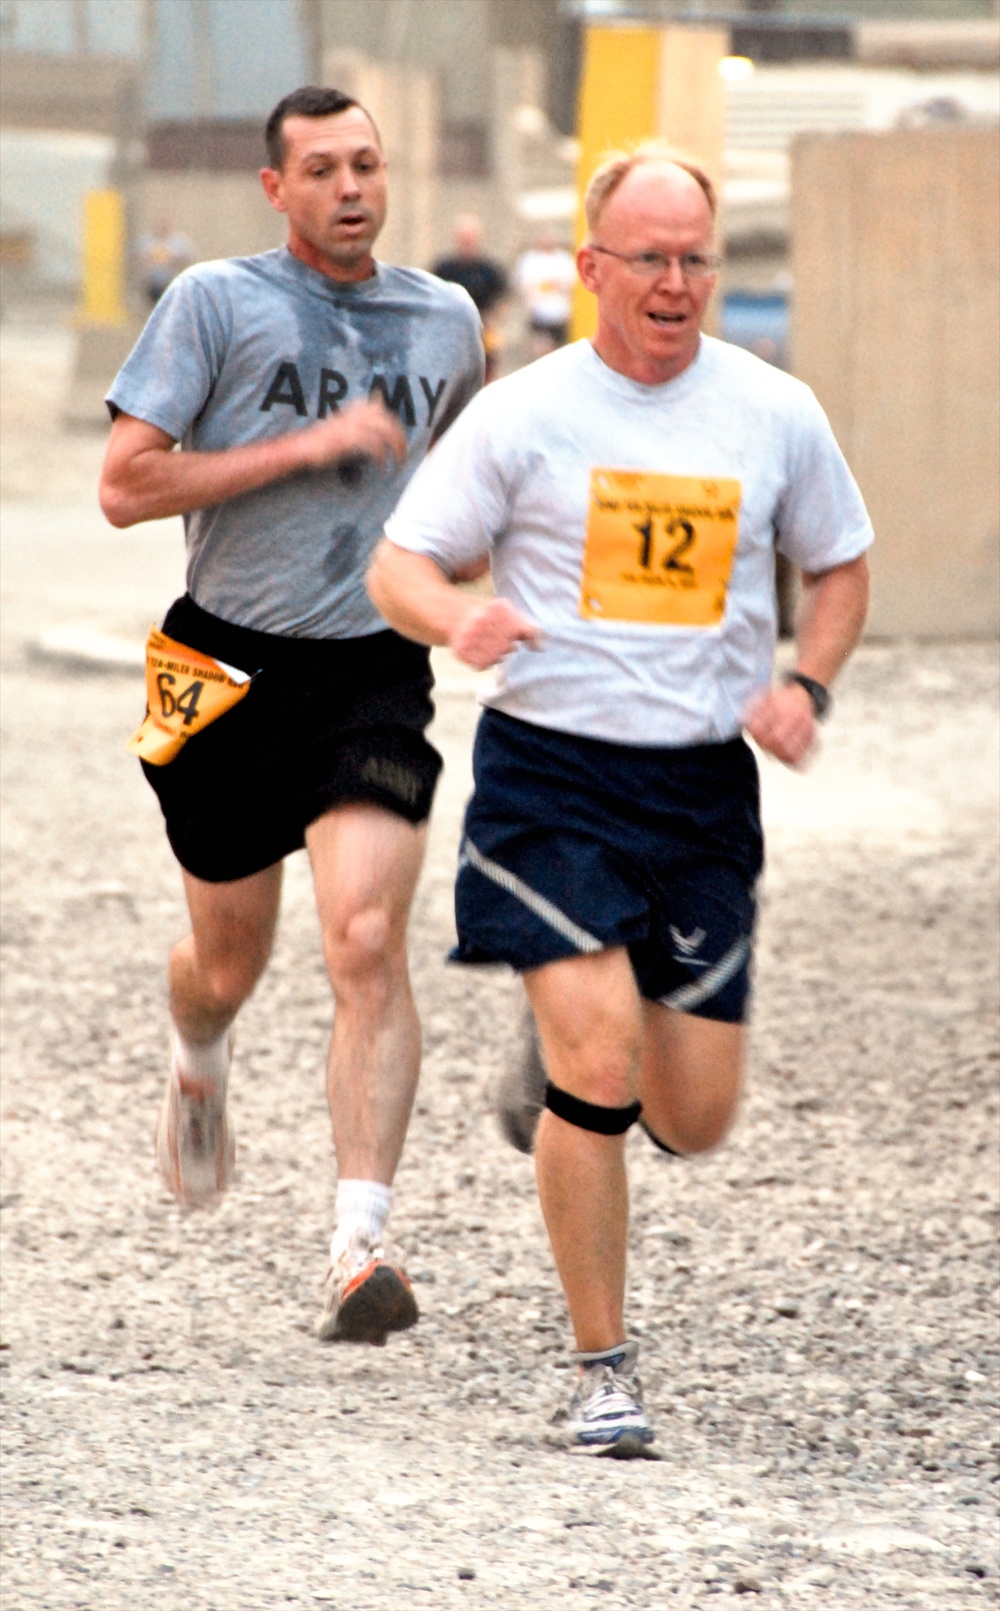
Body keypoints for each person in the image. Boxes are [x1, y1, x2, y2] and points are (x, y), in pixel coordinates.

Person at [368, 143, 871, 1453]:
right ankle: (606, 1369)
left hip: (703, 787)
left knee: (693, 1114)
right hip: (555, 774)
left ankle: (564, 1052)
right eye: (647, 257)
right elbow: (399, 565)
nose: (675, 281)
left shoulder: (774, 410)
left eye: (695, 257)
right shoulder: (526, 412)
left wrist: (807, 681)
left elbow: (842, 566)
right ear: (590, 269)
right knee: (604, 1063)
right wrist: (459, 616)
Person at [98, 86, 483, 1346]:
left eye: (367, 163)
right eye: (321, 168)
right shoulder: (213, 300)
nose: (352, 187)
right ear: (276, 187)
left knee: (365, 935)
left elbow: (470, 498)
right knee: (227, 962)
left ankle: (358, 1244)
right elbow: (124, 487)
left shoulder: (447, 322)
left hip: (371, 667)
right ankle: (198, 1053)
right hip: (224, 665)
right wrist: (304, 448)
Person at [432, 214, 508, 382]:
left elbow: (503, 297)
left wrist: (492, 317)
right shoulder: (444, 269)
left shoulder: (490, 270)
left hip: (483, 328)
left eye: (471, 239)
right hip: (452, 331)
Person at [514, 229, 577, 358]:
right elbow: (523, 284)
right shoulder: (530, 260)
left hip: (560, 314)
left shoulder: (564, 259)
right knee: (541, 351)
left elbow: (570, 283)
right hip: (538, 313)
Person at [136, 216, 194, 306]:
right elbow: (137, 257)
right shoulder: (147, 241)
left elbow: (188, 257)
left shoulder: (178, 242)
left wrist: (173, 257)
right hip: (151, 282)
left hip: (171, 281)